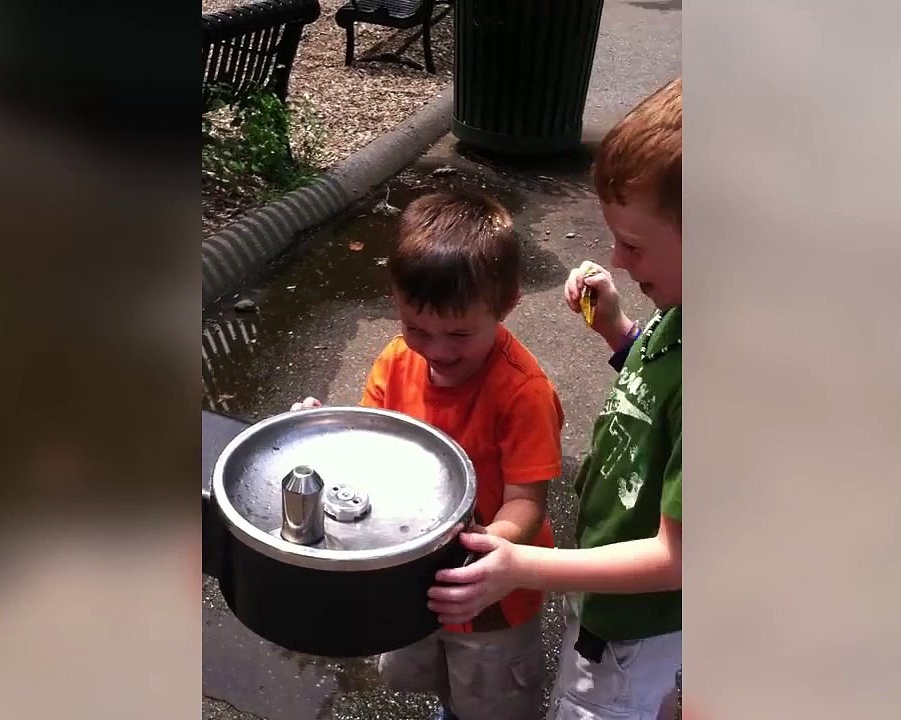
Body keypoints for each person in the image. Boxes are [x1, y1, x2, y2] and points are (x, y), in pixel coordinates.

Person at [425, 77, 684, 719]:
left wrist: (527, 565)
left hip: (635, 628)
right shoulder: (682, 312)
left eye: (635, 244)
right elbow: (660, 391)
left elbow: (676, 558)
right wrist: (619, 333)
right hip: (608, 600)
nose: (616, 261)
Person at [290, 189, 563, 720]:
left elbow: (527, 503)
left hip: (488, 595)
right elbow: (367, 446)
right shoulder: (396, 362)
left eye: (459, 332)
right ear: (396, 304)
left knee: (490, 696)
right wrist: (318, 435)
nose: (437, 350)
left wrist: (487, 552)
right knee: (431, 671)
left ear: (505, 307)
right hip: (412, 573)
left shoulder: (523, 393)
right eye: (417, 328)